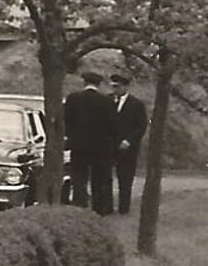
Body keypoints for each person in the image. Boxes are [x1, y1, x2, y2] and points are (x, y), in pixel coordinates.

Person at [62, 71, 120, 215]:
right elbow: (113, 125)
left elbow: (66, 121)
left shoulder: (73, 99)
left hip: (78, 146)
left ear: (84, 83)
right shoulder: (106, 102)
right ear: (99, 84)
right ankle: (98, 209)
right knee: (99, 179)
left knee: (79, 178)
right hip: (100, 148)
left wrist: (71, 136)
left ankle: (79, 207)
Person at [110, 73, 150, 215]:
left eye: (118, 87)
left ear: (125, 87)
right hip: (109, 145)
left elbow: (141, 126)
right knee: (105, 176)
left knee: (125, 178)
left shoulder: (136, 104)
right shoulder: (108, 101)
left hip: (127, 147)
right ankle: (107, 206)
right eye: (113, 86)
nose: (115, 90)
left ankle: (123, 208)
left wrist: (129, 140)